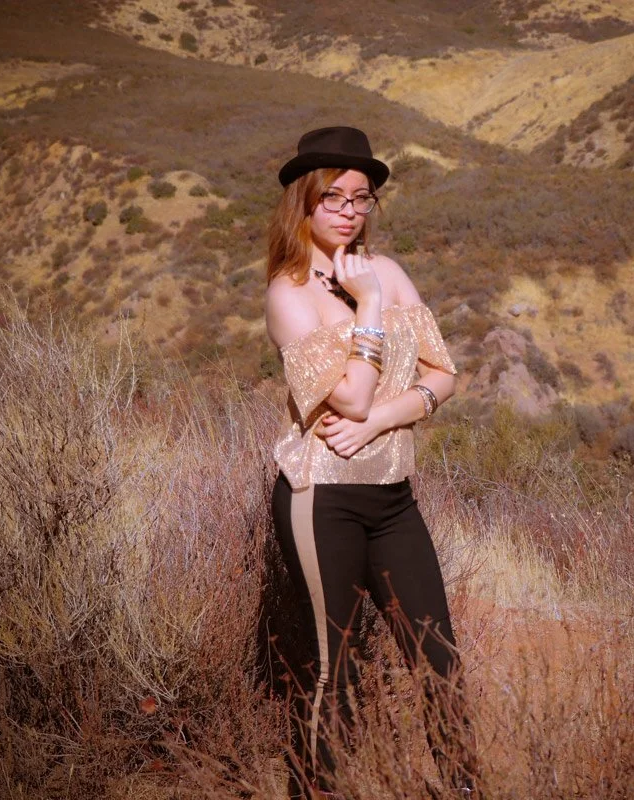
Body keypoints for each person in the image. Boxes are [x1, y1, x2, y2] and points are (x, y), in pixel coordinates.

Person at [264, 126, 477, 798]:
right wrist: (372, 309)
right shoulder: (289, 293)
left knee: (438, 658)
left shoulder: (386, 270)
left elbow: (445, 374)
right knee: (336, 667)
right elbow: (349, 395)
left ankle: (466, 785)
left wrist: (388, 416)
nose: (351, 211)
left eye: (363, 199)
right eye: (335, 198)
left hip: (392, 496)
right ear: (303, 202)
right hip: (320, 498)